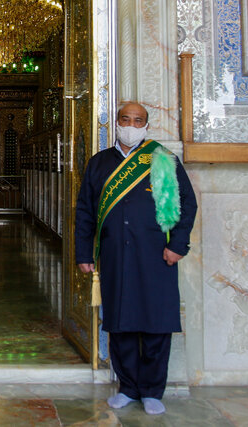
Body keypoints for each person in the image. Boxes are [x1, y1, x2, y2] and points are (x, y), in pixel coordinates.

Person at [74, 102, 197, 416]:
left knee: (156, 323)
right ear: (116, 123)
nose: (131, 124)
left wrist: (178, 245)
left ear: (146, 125)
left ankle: (153, 391)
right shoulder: (99, 163)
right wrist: (84, 252)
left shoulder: (163, 159)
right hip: (114, 256)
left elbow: (187, 203)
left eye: (137, 120)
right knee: (120, 323)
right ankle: (128, 387)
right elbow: (85, 211)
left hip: (158, 255)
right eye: (125, 119)